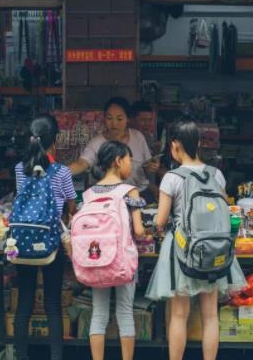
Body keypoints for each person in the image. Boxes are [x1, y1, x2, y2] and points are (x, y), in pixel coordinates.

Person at [145, 118, 245, 360]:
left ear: (175, 145)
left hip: (182, 249)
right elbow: (226, 210)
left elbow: (160, 221)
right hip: (214, 248)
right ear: (199, 143)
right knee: (211, 314)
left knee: (179, 313)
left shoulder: (172, 177)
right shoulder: (217, 175)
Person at [13, 115, 77, 360]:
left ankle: (21, 356)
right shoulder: (62, 172)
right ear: (55, 140)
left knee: (25, 302)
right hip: (51, 242)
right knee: (52, 303)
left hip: (24, 242)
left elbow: (24, 201)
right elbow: (71, 206)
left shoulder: (21, 169)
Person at [86, 141, 145, 360]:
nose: (131, 165)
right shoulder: (130, 191)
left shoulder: (89, 193)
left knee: (98, 313)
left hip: (97, 260)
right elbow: (138, 231)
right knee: (124, 312)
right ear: (119, 161)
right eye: (130, 159)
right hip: (122, 261)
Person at [68, 97, 159, 203]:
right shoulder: (97, 142)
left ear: (128, 119)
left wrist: (152, 166)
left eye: (119, 119)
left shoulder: (138, 137)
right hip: (109, 199)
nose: (114, 123)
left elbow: (147, 166)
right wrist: (59, 172)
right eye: (109, 118)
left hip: (139, 194)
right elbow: (82, 163)